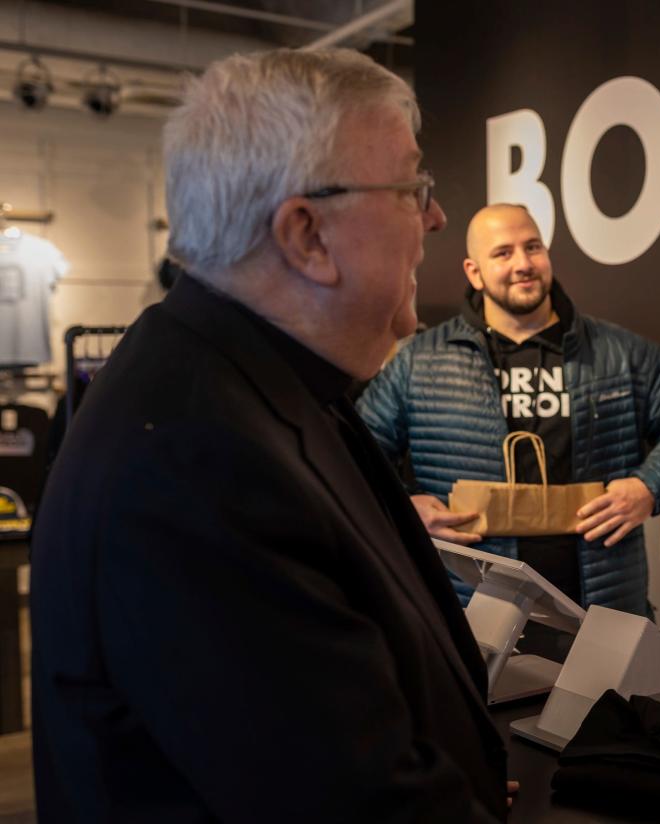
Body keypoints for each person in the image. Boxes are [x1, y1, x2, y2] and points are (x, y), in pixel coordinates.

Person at [31, 49, 509, 822]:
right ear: (306, 235)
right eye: (412, 187)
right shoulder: (198, 461)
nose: (434, 215)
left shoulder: (252, 381)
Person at [358, 203, 660, 622]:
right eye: (503, 253)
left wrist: (649, 487)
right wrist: (402, 508)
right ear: (474, 272)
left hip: (603, 607)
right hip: (467, 610)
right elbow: (355, 448)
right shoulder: (420, 362)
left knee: (607, 692)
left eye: (533, 247)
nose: (523, 264)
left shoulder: (616, 352)